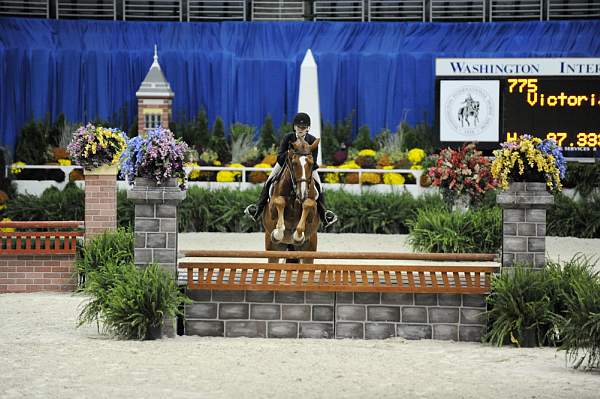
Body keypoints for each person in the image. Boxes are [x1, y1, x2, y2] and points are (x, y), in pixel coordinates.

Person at [244, 112, 338, 228]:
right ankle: (257, 208)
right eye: (298, 127)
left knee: (319, 186)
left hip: (306, 168)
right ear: (294, 127)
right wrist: (289, 153)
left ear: (308, 128)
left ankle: (325, 214)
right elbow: (279, 156)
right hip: (285, 164)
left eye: (303, 127)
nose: (300, 129)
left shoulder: (312, 140)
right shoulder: (288, 138)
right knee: (269, 180)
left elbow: (313, 160)